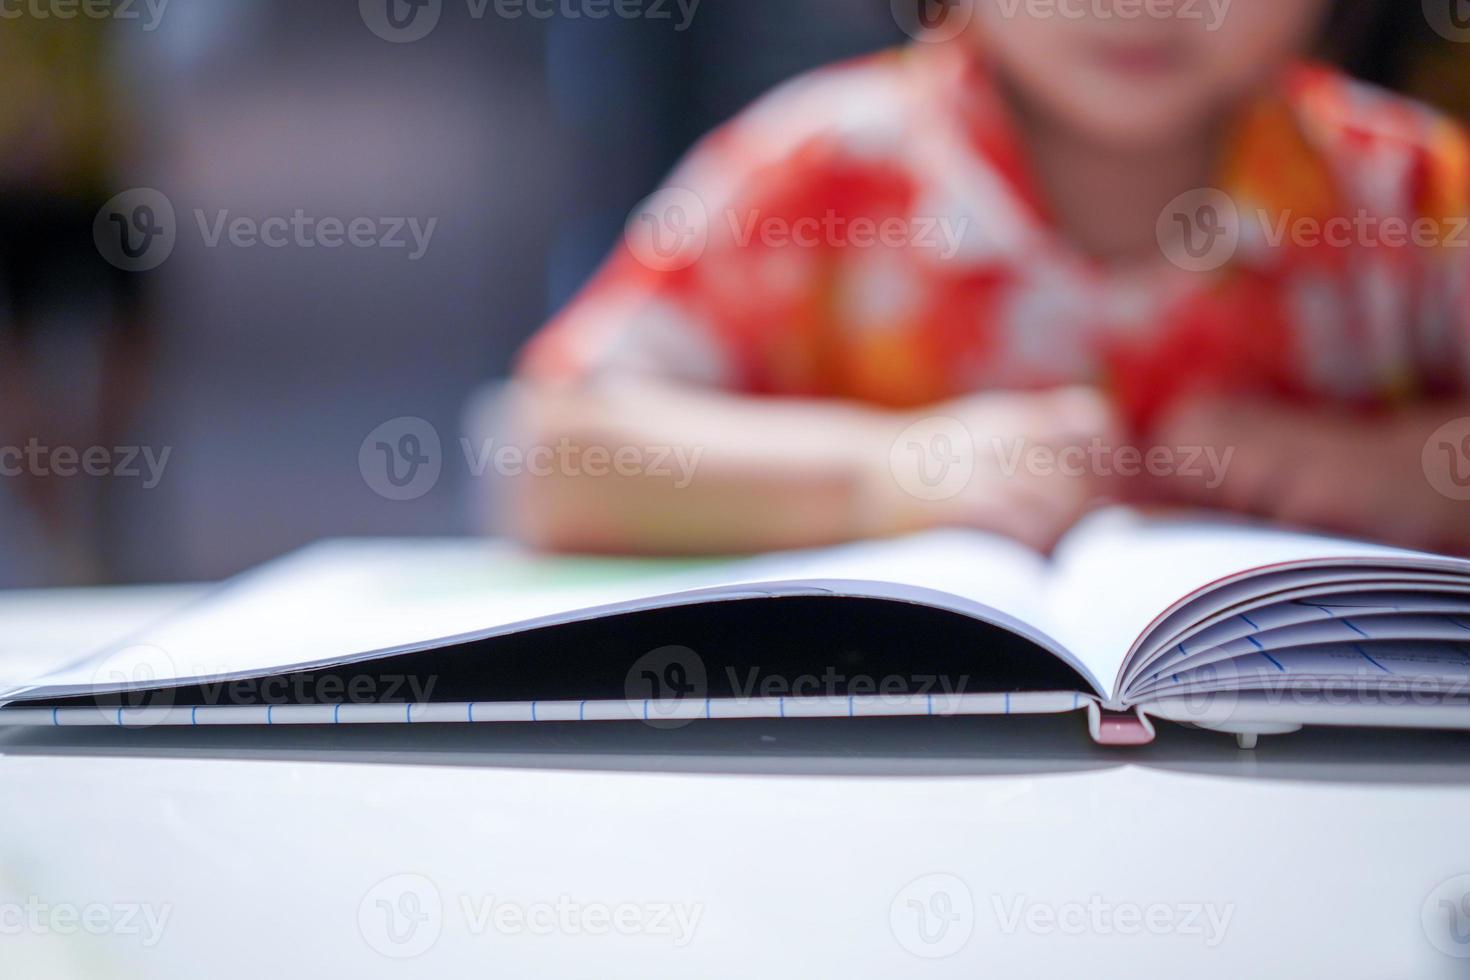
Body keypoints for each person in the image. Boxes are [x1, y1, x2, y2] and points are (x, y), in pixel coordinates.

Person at [501, 0, 1470, 556]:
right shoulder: (825, 169)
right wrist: (881, 478)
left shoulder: (1409, 188)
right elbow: (549, 457)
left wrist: (1403, 470)